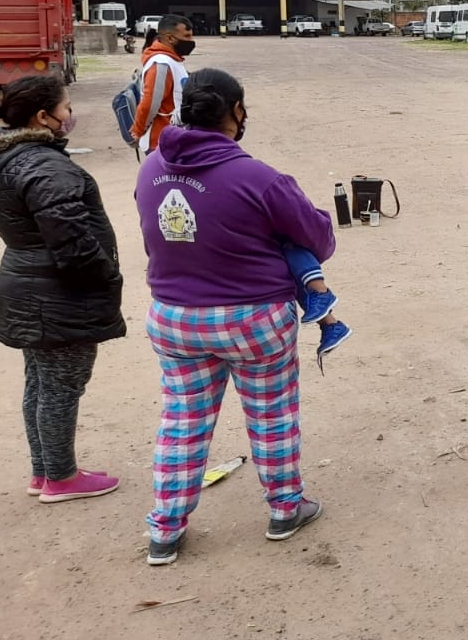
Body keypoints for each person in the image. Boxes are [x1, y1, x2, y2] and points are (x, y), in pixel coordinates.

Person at [137, 69, 335, 566]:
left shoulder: (152, 167)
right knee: (272, 416)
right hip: (253, 319)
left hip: (175, 317)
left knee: (182, 420)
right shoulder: (259, 177)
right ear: (237, 111)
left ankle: (165, 530)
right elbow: (318, 239)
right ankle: (285, 508)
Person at [0, 75, 125, 504]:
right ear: (43, 117)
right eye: (66, 108)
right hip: (58, 293)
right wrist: (106, 276)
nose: (70, 115)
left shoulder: (6, 157)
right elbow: (73, 242)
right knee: (61, 388)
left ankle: (44, 471)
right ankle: (61, 477)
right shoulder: (44, 165)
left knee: (40, 384)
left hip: (28, 284)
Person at [130, 14, 195, 154]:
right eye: (187, 36)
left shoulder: (174, 60)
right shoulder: (161, 64)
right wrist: (137, 131)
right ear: (170, 38)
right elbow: (149, 104)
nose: (191, 41)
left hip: (175, 139)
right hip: (161, 143)